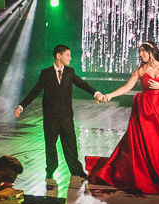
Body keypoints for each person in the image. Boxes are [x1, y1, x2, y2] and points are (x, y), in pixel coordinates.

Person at [89, 40, 159, 194]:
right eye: (140, 51)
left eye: (143, 51)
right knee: (145, 142)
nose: (140, 54)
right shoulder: (140, 70)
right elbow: (127, 87)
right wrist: (110, 95)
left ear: (151, 51)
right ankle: (145, 175)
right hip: (145, 108)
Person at [15, 44, 104, 188]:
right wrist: (21, 106)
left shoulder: (70, 72)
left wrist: (96, 93)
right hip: (51, 117)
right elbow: (35, 91)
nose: (70, 58)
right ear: (58, 56)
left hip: (66, 116)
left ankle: (76, 170)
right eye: (67, 55)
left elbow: (82, 84)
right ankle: (50, 170)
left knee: (70, 144)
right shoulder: (46, 73)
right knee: (50, 145)